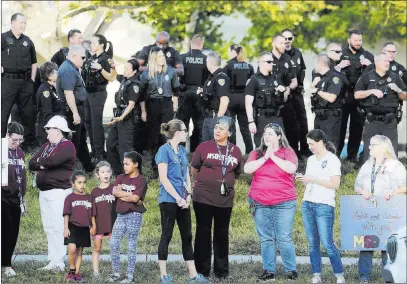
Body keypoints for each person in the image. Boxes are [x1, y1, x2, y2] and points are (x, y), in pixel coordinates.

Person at [155, 119, 209, 283]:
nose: (187, 133)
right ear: (177, 132)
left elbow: (186, 174)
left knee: (187, 235)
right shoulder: (163, 150)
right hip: (168, 199)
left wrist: (187, 195)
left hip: (183, 200)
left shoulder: (182, 150)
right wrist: (177, 198)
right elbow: (164, 178)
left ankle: (193, 275)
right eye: (185, 130)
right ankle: (163, 275)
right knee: (167, 235)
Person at [244, 123, 298, 281]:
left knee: (284, 237)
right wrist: (265, 157)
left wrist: (273, 156)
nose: (266, 137)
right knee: (266, 238)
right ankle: (269, 271)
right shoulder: (256, 153)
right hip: (259, 201)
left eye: (270, 134)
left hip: (284, 202)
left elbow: (291, 168)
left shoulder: (287, 152)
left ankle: (291, 270)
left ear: (279, 136)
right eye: (265, 134)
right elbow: (248, 169)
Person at [191, 116, 243, 279]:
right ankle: (201, 270)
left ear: (230, 132)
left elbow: (236, 172)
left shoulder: (235, 151)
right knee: (203, 232)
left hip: (225, 200)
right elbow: (194, 169)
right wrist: (202, 183)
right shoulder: (204, 147)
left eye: (221, 128)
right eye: (216, 127)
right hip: (203, 198)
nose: (217, 130)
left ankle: (221, 271)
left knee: (222, 233)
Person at [354, 135, 407, 283]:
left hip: (388, 212)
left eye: (372, 145)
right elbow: (357, 185)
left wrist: (393, 193)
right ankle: (364, 277)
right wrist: (361, 191)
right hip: (369, 211)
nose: (369, 147)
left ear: (382, 147)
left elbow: (405, 186)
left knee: (387, 247)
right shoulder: (367, 165)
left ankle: (389, 277)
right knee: (366, 244)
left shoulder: (396, 166)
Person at [296, 129, 345, 284]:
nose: (310, 146)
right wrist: (304, 179)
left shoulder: (333, 160)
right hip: (308, 203)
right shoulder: (311, 160)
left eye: (312, 144)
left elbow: (335, 184)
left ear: (321, 142)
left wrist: (313, 179)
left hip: (324, 205)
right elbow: (310, 181)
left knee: (327, 243)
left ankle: (339, 274)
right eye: (308, 144)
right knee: (312, 243)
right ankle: (316, 273)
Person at [28, 115, 76, 271]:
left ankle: (60, 261)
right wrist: (41, 163)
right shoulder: (46, 146)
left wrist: (41, 163)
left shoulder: (67, 146)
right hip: (45, 191)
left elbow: (53, 162)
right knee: (49, 226)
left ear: (58, 130)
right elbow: (31, 162)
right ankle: (52, 259)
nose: (46, 132)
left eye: (49, 129)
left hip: (59, 192)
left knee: (58, 226)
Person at [355, 52, 407, 162]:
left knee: (391, 152)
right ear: (377, 62)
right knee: (369, 151)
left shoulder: (395, 77)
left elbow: (405, 96)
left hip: (389, 121)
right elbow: (357, 94)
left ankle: (392, 176)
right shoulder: (366, 77)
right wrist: (371, 91)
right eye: (385, 61)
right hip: (371, 120)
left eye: (388, 61)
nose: (388, 63)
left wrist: (398, 90)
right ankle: (369, 175)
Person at [108, 151, 148, 283]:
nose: (124, 166)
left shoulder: (141, 180)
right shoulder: (120, 177)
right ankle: (116, 273)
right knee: (114, 242)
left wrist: (122, 193)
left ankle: (130, 276)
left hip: (134, 215)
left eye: (127, 164)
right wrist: (128, 194)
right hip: (121, 215)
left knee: (131, 244)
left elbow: (136, 198)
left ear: (136, 164)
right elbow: (114, 192)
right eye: (123, 164)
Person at [140, 47, 180, 179]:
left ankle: (168, 167)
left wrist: (175, 105)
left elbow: (176, 90)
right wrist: (144, 111)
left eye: (163, 56)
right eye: (160, 56)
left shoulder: (171, 71)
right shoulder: (146, 75)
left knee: (166, 136)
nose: (163, 58)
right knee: (153, 137)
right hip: (152, 105)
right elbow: (141, 96)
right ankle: (155, 168)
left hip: (167, 104)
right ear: (154, 59)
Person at [1, 13, 38, 152]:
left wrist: (32, 79)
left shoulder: (28, 41)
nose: (23, 25)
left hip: (25, 82)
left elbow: (34, 62)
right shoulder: (3, 38)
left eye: (25, 23)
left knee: (27, 114)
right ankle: (2, 143)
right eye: (21, 22)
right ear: (12, 22)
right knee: (3, 113)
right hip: (7, 81)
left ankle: (27, 146)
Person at [337, 30, 374, 163]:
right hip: (343, 96)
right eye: (355, 40)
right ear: (349, 40)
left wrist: (370, 65)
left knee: (357, 128)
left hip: (360, 97)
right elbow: (331, 72)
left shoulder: (368, 55)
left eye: (360, 40)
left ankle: (351, 158)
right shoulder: (340, 54)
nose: (358, 43)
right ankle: (336, 156)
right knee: (340, 127)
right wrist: (339, 65)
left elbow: (376, 73)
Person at [57, 45, 94, 172]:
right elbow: (68, 93)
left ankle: (88, 168)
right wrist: (75, 113)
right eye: (82, 57)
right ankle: (68, 172)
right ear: (73, 56)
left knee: (81, 140)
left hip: (77, 108)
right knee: (74, 143)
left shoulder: (72, 67)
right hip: (71, 110)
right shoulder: (67, 69)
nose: (84, 59)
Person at [106, 59, 145, 175]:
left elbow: (131, 105)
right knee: (110, 144)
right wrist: (113, 66)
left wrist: (122, 117)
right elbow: (113, 76)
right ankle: (119, 172)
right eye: (125, 68)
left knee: (125, 149)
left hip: (127, 119)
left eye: (127, 69)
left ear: (134, 72)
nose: (125, 70)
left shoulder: (135, 85)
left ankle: (131, 174)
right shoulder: (124, 80)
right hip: (118, 117)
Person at [83, 34, 116, 162]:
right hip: (88, 93)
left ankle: (100, 153)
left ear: (101, 44)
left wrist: (100, 69)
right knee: (88, 122)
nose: (91, 45)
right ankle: (94, 151)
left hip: (98, 93)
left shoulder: (106, 59)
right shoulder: (91, 58)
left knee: (96, 123)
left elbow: (112, 77)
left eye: (93, 42)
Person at [246, 52, 289, 147]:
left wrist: (284, 91)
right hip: (261, 118)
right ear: (261, 63)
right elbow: (248, 103)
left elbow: (285, 99)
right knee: (262, 146)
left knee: (280, 145)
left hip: (277, 116)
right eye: (269, 61)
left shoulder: (276, 78)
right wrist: (251, 121)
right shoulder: (254, 80)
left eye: (272, 61)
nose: (272, 64)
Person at [1, 122, 27, 277]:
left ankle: (7, 263)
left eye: (20, 141)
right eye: (14, 140)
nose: (17, 143)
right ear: (7, 135)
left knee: (13, 232)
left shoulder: (20, 153)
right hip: (2, 197)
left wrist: (23, 198)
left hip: (16, 198)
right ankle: (5, 263)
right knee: (4, 231)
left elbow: (22, 177)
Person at [270, 34, 301, 157]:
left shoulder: (288, 59)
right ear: (274, 43)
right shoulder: (267, 58)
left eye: (285, 42)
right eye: (281, 43)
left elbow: (295, 81)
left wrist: (288, 88)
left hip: (287, 101)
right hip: (272, 103)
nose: (285, 45)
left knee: (293, 130)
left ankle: (293, 156)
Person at [281, 28, 310, 157]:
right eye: (284, 39)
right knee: (289, 124)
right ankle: (291, 151)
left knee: (303, 122)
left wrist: (301, 85)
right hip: (285, 94)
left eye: (289, 38)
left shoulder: (298, 53)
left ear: (293, 39)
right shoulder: (279, 55)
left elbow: (303, 70)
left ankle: (304, 148)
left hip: (297, 93)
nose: (287, 41)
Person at [178, 34, 208, 152]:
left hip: (184, 93)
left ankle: (181, 150)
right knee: (199, 124)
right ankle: (197, 151)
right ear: (201, 44)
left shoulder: (182, 58)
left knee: (182, 123)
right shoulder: (206, 59)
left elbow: (176, 77)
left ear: (191, 44)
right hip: (199, 94)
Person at [223, 44, 254, 154]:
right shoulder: (249, 67)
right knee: (245, 128)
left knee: (231, 127)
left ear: (232, 51)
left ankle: (233, 153)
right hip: (244, 99)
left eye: (228, 51)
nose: (227, 53)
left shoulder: (228, 66)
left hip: (231, 98)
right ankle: (250, 153)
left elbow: (224, 84)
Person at [63, 171, 93, 282]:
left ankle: (77, 273)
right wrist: (66, 228)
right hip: (72, 227)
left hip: (84, 227)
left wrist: (93, 226)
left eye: (84, 182)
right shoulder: (69, 198)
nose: (82, 185)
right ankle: (71, 270)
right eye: (79, 182)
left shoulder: (89, 198)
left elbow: (92, 214)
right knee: (72, 249)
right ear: (73, 184)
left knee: (79, 252)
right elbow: (66, 214)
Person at [310, 54, 344, 150]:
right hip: (319, 115)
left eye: (315, 64)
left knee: (330, 145)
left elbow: (332, 98)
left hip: (330, 117)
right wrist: (314, 86)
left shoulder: (334, 78)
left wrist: (317, 91)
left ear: (320, 64)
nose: (314, 67)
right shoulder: (319, 79)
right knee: (317, 144)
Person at [91, 161, 116, 279]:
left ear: (111, 173)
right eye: (102, 172)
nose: (105, 174)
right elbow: (92, 212)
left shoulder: (114, 189)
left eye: (107, 171)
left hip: (113, 224)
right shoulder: (94, 192)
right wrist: (93, 225)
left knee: (114, 248)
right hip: (99, 224)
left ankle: (115, 271)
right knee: (97, 248)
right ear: (97, 175)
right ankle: (96, 272)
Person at [199, 51, 230, 142]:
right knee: (206, 146)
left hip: (216, 116)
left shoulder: (221, 78)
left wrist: (218, 121)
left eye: (206, 62)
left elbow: (225, 100)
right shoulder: (212, 77)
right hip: (208, 116)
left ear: (210, 62)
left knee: (217, 147)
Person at [35, 61, 62, 145]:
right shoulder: (45, 91)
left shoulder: (52, 88)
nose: (58, 73)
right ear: (48, 75)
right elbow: (47, 113)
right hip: (47, 132)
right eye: (55, 71)